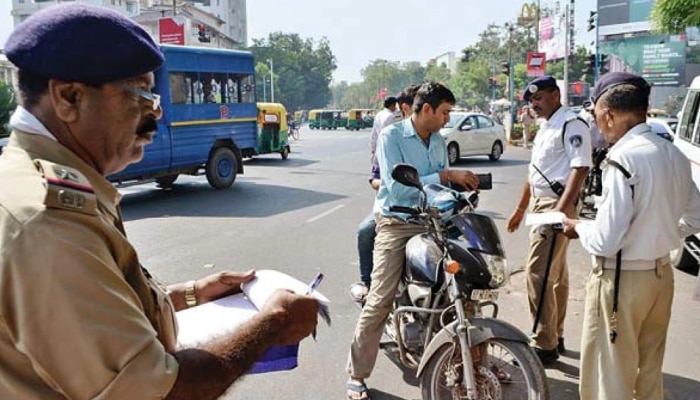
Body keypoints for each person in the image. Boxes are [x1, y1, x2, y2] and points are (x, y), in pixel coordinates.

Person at [0, 4, 318, 399]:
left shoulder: (51, 183)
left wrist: (195, 292)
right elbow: (159, 391)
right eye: (139, 94)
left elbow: (108, 309)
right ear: (68, 97)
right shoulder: (46, 223)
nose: (155, 113)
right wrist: (273, 324)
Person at [561, 72, 700, 400]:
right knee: (649, 374)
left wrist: (577, 226)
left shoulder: (623, 158)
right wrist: (661, 232)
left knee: (610, 378)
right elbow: (696, 216)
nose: (596, 125)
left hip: (620, 279)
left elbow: (606, 240)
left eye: (596, 117)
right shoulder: (674, 154)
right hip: (660, 276)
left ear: (608, 115)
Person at [346, 82, 479, 400]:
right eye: (445, 112)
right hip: (396, 223)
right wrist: (447, 177)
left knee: (465, 286)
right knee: (378, 301)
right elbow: (397, 187)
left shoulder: (439, 141)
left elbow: (438, 188)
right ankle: (356, 375)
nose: (448, 119)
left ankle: (473, 362)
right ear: (427, 109)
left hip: (433, 222)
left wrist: (463, 192)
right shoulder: (392, 136)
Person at [506, 75, 592, 365]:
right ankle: (555, 333)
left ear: (556, 95)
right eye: (532, 100)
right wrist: (520, 209)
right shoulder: (546, 126)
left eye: (539, 98)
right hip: (543, 203)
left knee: (538, 274)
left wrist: (560, 211)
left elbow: (580, 169)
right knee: (556, 275)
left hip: (556, 204)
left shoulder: (571, 123)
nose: (535, 104)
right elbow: (535, 174)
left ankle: (543, 344)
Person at [350, 85, 420, 303]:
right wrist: (391, 185)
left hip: (428, 210)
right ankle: (367, 282)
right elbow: (375, 179)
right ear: (407, 108)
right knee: (365, 231)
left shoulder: (436, 139)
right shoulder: (391, 137)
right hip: (394, 209)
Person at [368, 96, 398, 163]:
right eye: (395, 105)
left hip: (379, 146)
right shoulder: (390, 116)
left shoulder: (379, 114)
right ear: (392, 105)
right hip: (388, 148)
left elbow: (374, 133)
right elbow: (392, 135)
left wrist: (373, 148)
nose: (396, 108)